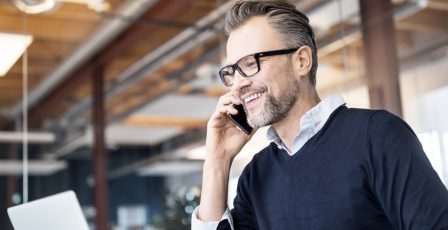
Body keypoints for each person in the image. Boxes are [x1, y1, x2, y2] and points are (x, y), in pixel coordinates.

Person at [191, 0, 448, 229]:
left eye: (250, 64)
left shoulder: (377, 135)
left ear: (301, 61)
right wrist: (216, 162)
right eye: (232, 72)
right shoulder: (255, 176)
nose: (237, 84)